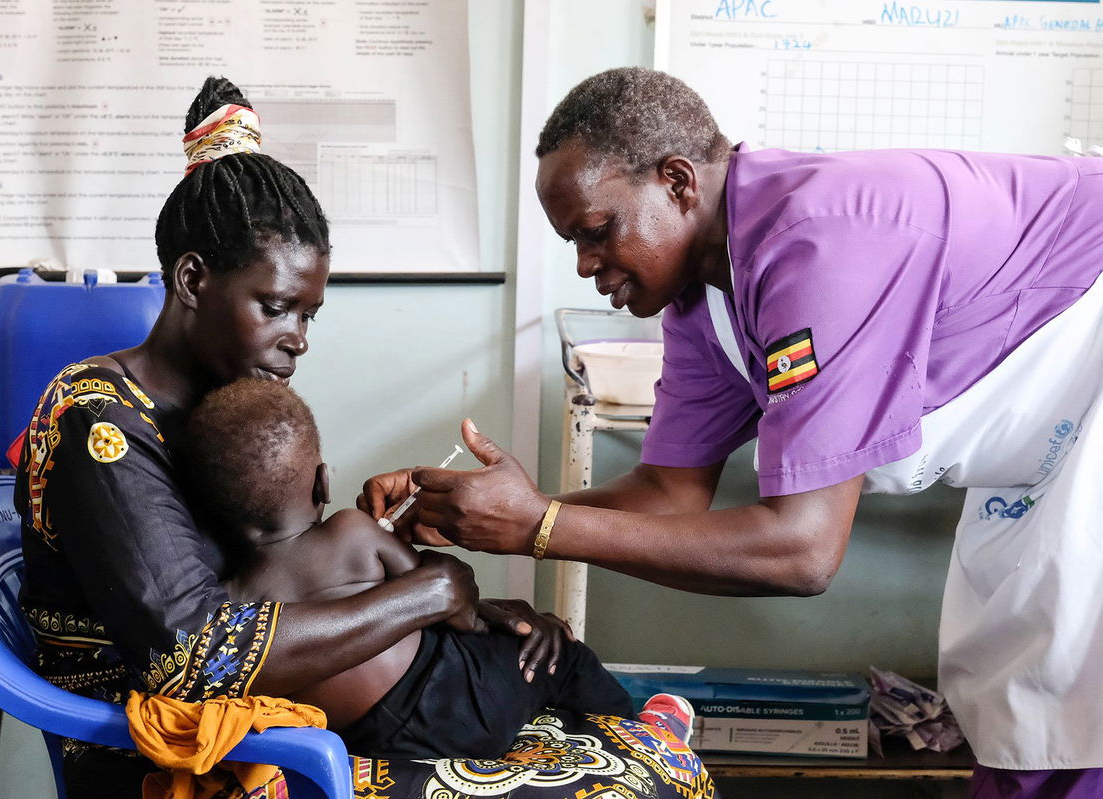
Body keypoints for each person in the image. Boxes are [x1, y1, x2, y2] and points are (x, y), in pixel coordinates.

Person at [360, 67, 1103, 798]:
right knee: (1020, 702)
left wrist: (539, 524)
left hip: (1088, 357)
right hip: (1044, 441)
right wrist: (484, 513)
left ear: (678, 182)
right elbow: (667, 497)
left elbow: (805, 550)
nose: (587, 265)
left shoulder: (817, 246)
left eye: (595, 231)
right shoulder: (702, 298)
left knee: (1072, 706)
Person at [13, 74, 712, 799]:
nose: (299, 341)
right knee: (631, 787)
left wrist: (455, 616)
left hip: (290, 722)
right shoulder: (98, 423)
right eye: (278, 307)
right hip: (166, 759)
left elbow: (278, 577)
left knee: (615, 734)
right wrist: (429, 592)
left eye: (308, 315)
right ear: (192, 280)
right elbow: (192, 657)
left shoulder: (221, 405)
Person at [183, 378, 640, 758]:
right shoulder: (351, 531)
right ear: (323, 481)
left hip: (375, 740)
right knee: (559, 652)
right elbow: (457, 609)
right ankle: (644, 729)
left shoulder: (232, 600)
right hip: (463, 699)